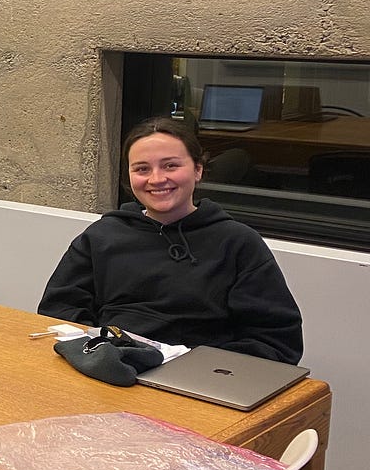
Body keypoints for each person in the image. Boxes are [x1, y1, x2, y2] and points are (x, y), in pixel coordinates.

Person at [38, 116, 303, 363]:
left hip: (199, 379)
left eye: (171, 166)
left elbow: (277, 340)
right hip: (110, 367)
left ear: (198, 169)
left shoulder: (238, 243)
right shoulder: (100, 237)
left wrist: (193, 365)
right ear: (129, 178)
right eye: (142, 169)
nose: (157, 179)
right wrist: (102, 351)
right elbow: (58, 310)